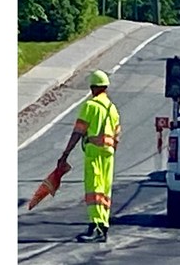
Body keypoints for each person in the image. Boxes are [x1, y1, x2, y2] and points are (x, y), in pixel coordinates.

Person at [57, 70, 121, 243]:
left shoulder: (90, 106)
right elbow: (117, 136)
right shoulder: (112, 109)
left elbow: (78, 131)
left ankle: (96, 227)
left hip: (94, 151)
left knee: (94, 189)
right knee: (105, 189)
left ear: (93, 88)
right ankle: (103, 225)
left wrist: (65, 154)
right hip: (109, 153)